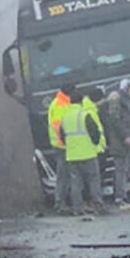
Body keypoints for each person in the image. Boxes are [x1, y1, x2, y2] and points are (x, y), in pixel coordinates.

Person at [58, 87, 107, 216]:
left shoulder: (65, 117)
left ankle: (77, 208)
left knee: (76, 183)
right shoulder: (85, 115)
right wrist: (95, 144)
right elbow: (94, 133)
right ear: (81, 102)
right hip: (88, 153)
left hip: (72, 155)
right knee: (93, 180)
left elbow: (62, 136)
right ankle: (97, 204)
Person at [103, 79, 130, 208]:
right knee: (120, 170)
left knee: (127, 170)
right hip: (121, 142)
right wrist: (125, 135)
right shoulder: (117, 102)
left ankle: (123, 195)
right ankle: (120, 198)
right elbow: (115, 121)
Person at [48, 83, 76, 213]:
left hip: (64, 145)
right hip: (62, 146)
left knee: (66, 174)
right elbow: (58, 126)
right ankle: (60, 203)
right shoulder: (60, 104)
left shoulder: (62, 102)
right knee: (63, 175)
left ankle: (63, 202)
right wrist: (66, 140)